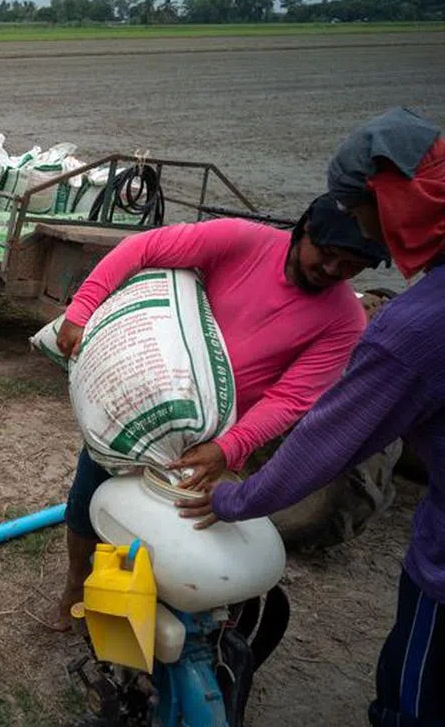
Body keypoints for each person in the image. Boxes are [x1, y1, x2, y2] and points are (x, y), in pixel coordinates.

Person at [181, 107, 444, 726]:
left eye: (360, 221)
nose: (357, 246)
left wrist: (235, 498)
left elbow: (325, 434)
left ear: (394, 201)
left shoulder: (413, 328)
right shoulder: (243, 246)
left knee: (413, 705)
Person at [52, 195, 390, 627]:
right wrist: (81, 309)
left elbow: (289, 399)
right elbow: (142, 249)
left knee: (186, 530)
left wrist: (229, 447)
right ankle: (76, 585)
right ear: (303, 229)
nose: (332, 271)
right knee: (88, 499)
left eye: (350, 267)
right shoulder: (241, 241)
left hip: (218, 435)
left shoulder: (343, 321)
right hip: (142, 402)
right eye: (326, 255)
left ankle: (168, 613)